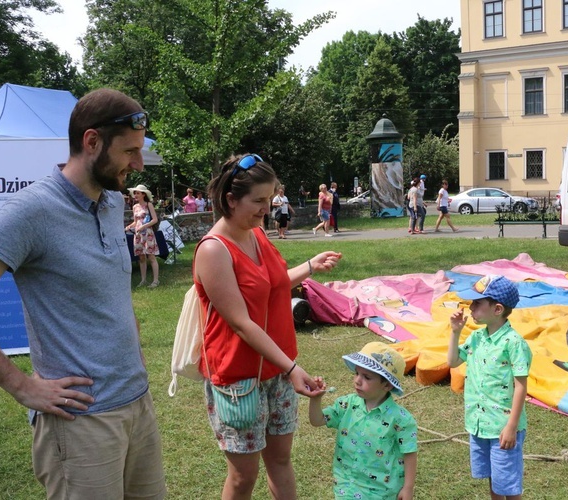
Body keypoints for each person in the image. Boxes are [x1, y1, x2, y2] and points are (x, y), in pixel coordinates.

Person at [0, 88, 166, 498]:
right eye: (130, 151)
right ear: (92, 141)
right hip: (81, 424)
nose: (137, 164)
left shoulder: (109, 202)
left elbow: (110, 293)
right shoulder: (33, 210)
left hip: (137, 405)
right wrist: (20, 385)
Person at [194, 153, 342, 499]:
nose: (267, 207)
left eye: (270, 198)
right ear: (230, 200)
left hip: (278, 369)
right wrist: (291, 368)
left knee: (280, 459)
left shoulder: (256, 234)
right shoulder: (214, 250)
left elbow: (272, 284)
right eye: (258, 200)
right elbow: (241, 322)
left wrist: (309, 265)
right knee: (244, 476)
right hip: (238, 379)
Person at [448, 275, 532, 500]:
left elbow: (520, 386)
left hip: (502, 427)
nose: (471, 307)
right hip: (479, 425)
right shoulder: (476, 337)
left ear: (497, 309)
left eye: (477, 303)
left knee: (509, 485)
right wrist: (455, 332)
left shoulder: (514, 343)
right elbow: (453, 361)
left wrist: (511, 426)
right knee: (494, 479)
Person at [309, 342, 418, 500]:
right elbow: (317, 420)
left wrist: (408, 487)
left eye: (367, 377)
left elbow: (409, 453)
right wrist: (315, 399)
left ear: (387, 385)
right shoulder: (346, 405)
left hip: (382, 491)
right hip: (346, 484)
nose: (357, 381)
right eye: (357, 373)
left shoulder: (401, 419)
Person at [126, 184, 160, 288]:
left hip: (148, 233)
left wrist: (144, 226)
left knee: (151, 256)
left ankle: (155, 280)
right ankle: (143, 280)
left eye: (138, 193)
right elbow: (136, 222)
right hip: (138, 234)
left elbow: (155, 219)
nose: (135, 195)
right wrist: (128, 226)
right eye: (135, 193)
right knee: (141, 257)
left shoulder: (148, 204)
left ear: (143, 194)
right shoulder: (135, 207)